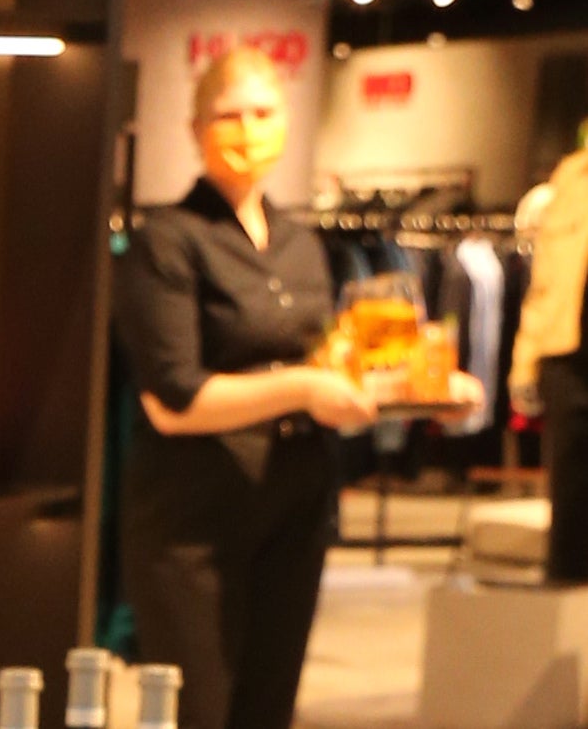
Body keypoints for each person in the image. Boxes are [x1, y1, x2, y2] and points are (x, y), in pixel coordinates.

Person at [114, 47, 476, 729]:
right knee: (200, 711)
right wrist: (302, 388)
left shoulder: (300, 243)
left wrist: (425, 386)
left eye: (263, 112)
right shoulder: (167, 241)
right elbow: (174, 402)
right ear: (195, 128)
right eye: (228, 115)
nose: (248, 130)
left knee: (269, 708)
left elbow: (337, 363)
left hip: (295, 504)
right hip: (195, 517)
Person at [510, 122, 588, 580]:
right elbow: (544, 283)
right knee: (571, 500)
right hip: (566, 354)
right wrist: (525, 361)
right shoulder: (571, 177)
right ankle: (567, 598)